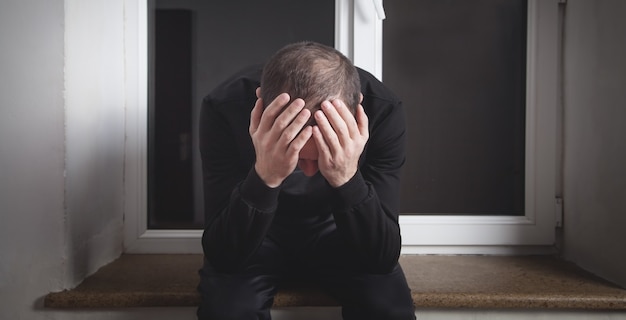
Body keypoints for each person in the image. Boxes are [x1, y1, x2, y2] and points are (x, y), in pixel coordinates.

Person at [197, 41, 415, 320]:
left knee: (388, 308)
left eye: (320, 158)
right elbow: (223, 256)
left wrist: (345, 176)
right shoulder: (224, 107)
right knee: (227, 311)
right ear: (261, 108)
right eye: (299, 158)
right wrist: (266, 175)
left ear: (356, 108)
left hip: (341, 231)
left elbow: (381, 258)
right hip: (257, 235)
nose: (310, 173)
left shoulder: (382, 110)